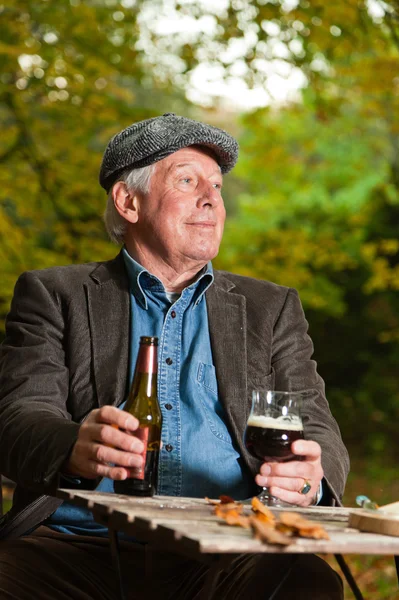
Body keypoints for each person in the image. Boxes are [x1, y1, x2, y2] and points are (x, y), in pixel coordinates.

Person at [0, 112, 349, 599]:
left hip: (231, 548)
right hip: (74, 548)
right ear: (129, 201)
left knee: (303, 583)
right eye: (187, 180)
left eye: (217, 185)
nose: (211, 198)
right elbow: (17, 418)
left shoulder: (271, 307)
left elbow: (315, 427)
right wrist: (74, 445)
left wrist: (312, 477)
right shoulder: (54, 294)